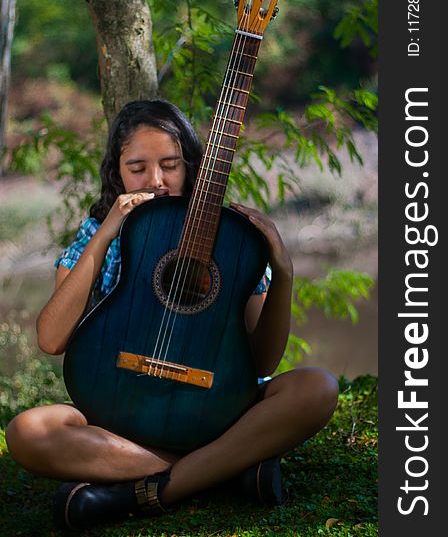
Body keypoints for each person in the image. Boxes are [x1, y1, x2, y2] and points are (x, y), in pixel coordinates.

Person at [5, 99, 339, 531]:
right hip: (119, 417)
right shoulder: (97, 233)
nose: (157, 180)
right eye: (138, 167)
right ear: (117, 172)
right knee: (28, 432)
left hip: (217, 410)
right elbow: (51, 339)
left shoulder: (233, 240)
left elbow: (264, 363)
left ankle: (153, 487)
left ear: (191, 167)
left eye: (170, 165)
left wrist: (284, 270)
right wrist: (107, 232)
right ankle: (223, 468)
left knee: (317, 387)